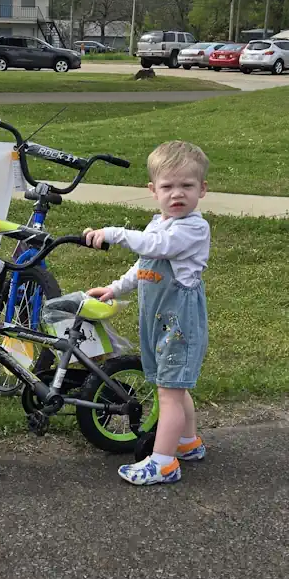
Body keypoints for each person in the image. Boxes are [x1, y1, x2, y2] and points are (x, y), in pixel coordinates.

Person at [83, 140, 210, 486]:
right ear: (153, 191)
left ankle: (163, 463)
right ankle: (188, 442)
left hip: (179, 324)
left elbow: (158, 249)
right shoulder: (159, 223)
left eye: (187, 186)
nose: (177, 194)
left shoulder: (193, 229)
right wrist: (114, 288)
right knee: (173, 387)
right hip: (158, 321)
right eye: (168, 187)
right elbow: (144, 265)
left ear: (203, 189)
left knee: (169, 392)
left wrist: (114, 234)